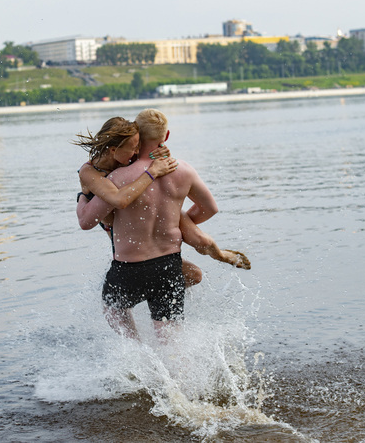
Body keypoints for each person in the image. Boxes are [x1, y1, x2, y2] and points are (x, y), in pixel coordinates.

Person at [78, 109, 249, 340]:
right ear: (166, 136)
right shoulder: (184, 170)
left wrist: (82, 194)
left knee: (115, 314)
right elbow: (210, 209)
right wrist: (174, 221)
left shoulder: (117, 178)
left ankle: (137, 360)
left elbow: (87, 221)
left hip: (129, 270)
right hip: (169, 267)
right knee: (173, 347)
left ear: (136, 137)